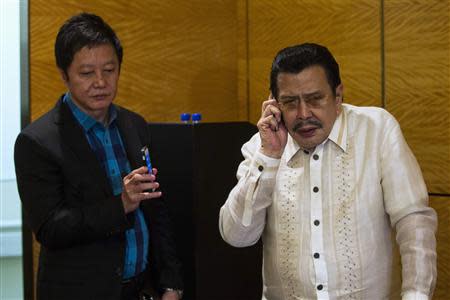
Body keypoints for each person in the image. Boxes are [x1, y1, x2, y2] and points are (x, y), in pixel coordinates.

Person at [219, 43, 437, 299]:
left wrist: (416, 295)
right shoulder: (261, 148)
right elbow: (237, 235)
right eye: (290, 102)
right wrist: (269, 157)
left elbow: (413, 220)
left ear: (338, 95)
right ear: (273, 103)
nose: (303, 114)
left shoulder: (377, 130)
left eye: (314, 99)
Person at [14, 13, 183, 300]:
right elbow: (51, 228)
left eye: (109, 69)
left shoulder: (134, 125)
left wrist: (171, 283)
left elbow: (156, 208)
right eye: (86, 73)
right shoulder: (37, 141)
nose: (100, 82)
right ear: (64, 74)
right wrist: (121, 204)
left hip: (141, 289)